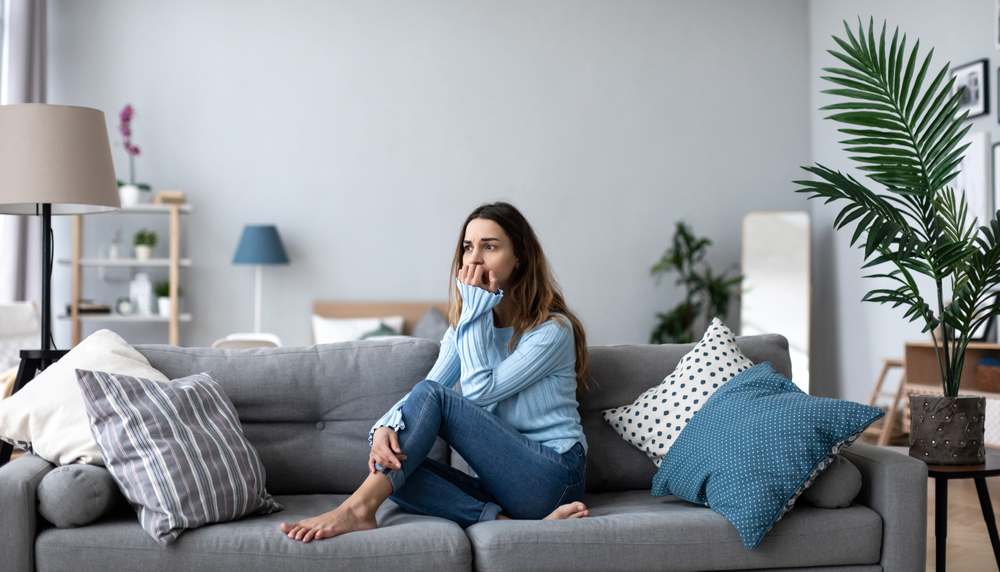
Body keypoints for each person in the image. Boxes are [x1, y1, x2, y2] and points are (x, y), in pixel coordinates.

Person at [281, 201, 591, 542]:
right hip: (499, 485)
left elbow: (475, 393)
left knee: (426, 409)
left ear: (519, 258)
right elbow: (427, 388)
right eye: (467, 248)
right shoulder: (463, 330)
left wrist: (473, 308)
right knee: (386, 465)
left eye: (490, 246)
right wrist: (384, 427)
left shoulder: (552, 330)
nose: (474, 259)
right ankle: (503, 522)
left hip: (553, 477)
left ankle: (357, 510)